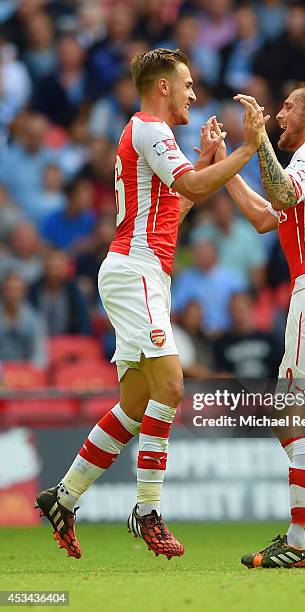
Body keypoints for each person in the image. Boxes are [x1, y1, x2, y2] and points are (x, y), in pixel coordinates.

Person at [35, 48, 266, 561]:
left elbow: (178, 204)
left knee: (138, 404)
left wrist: (209, 161)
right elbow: (188, 185)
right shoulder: (150, 129)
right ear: (162, 86)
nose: (193, 94)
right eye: (186, 84)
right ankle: (147, 511)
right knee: (172, 385)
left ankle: (63, 497)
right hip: (135, 271)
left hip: (142, 273)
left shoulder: (145, 135)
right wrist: (247, 149)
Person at [214, 82, 305, 569]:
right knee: (287, 418)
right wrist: (225, 164)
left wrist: (255, 140)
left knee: (301, 416)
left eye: (288, 107)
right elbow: (264, 215)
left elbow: (279, 189)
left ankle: (300, 540)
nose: (279, 115)